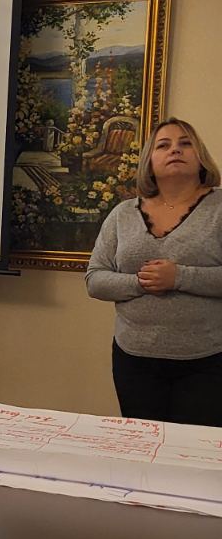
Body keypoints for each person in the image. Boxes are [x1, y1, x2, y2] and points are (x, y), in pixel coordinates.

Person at [86, 117, 222, 426]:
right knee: (142, 448)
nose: (175, 150)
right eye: (164, 145)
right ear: (149, 160)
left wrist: (179, 277)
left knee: (193, 451)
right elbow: (95, 279)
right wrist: (140, 282)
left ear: (200, 156)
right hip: (134, 359)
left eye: (185, 143)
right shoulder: (122, 214)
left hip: (207, 361)